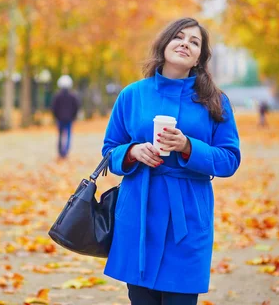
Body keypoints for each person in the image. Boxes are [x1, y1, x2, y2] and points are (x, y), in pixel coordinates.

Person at [102, 18, 241, 305]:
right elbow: (109, 151)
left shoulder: (215, 101)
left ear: (200, 58)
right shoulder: (133, 95)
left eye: (194, 42)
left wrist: (189, 146)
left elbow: (229, 159)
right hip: (139, 209)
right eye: (179, 37)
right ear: (164, 43)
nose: (185, 44)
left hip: (188, 215)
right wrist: (132, 152)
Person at [51, 75, 80, 159]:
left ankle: (60, 151)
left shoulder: (57, 96)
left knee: (60, 135)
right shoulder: (73, 96)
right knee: (68, 135)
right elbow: (76, 107)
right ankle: (65, 151)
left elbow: (54, 107)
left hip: (60, 119)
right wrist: (73, 116)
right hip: (69, 119)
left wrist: (56, 116)